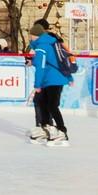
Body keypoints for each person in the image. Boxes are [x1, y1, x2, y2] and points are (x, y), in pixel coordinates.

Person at [27, 18, 71, 146]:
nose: (30, 38)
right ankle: (45, 127)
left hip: (52, 79)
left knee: (51, 105)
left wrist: (37, 85)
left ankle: (62, 130)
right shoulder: (49, 42)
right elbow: (47, 60)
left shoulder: (42, 46)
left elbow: (41, 67)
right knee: (43, 102)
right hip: (51, 78)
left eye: (31, 36)